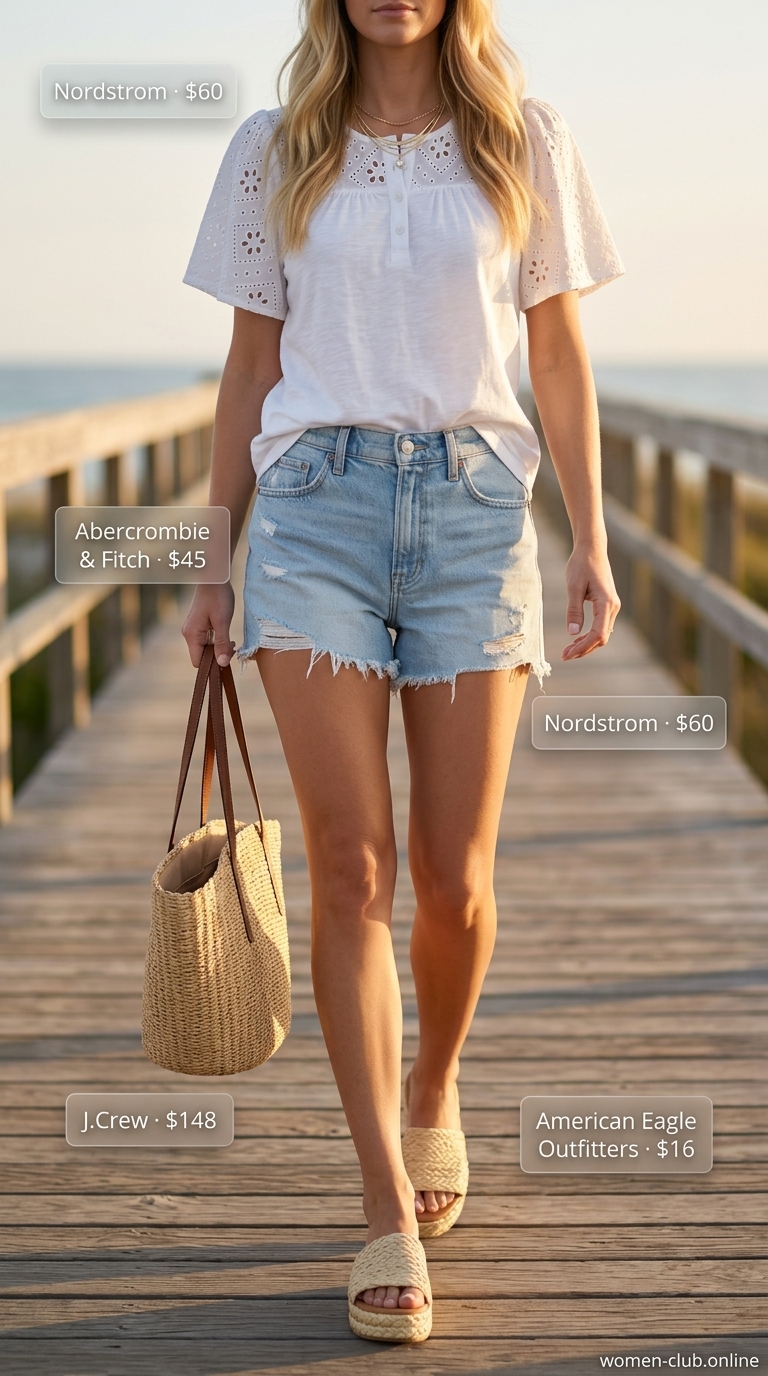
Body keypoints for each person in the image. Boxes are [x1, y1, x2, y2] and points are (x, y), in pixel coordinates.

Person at [182, 0, 622, 1344]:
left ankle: (434, 1089)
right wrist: (213, 562)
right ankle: (383, 1196)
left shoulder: (522, 140)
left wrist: (592, 542)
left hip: (477, 512)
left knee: (456, 875)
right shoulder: (277, 145)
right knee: (354, 865)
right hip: (313, 504)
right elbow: (252, 358)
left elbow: (554, 349)